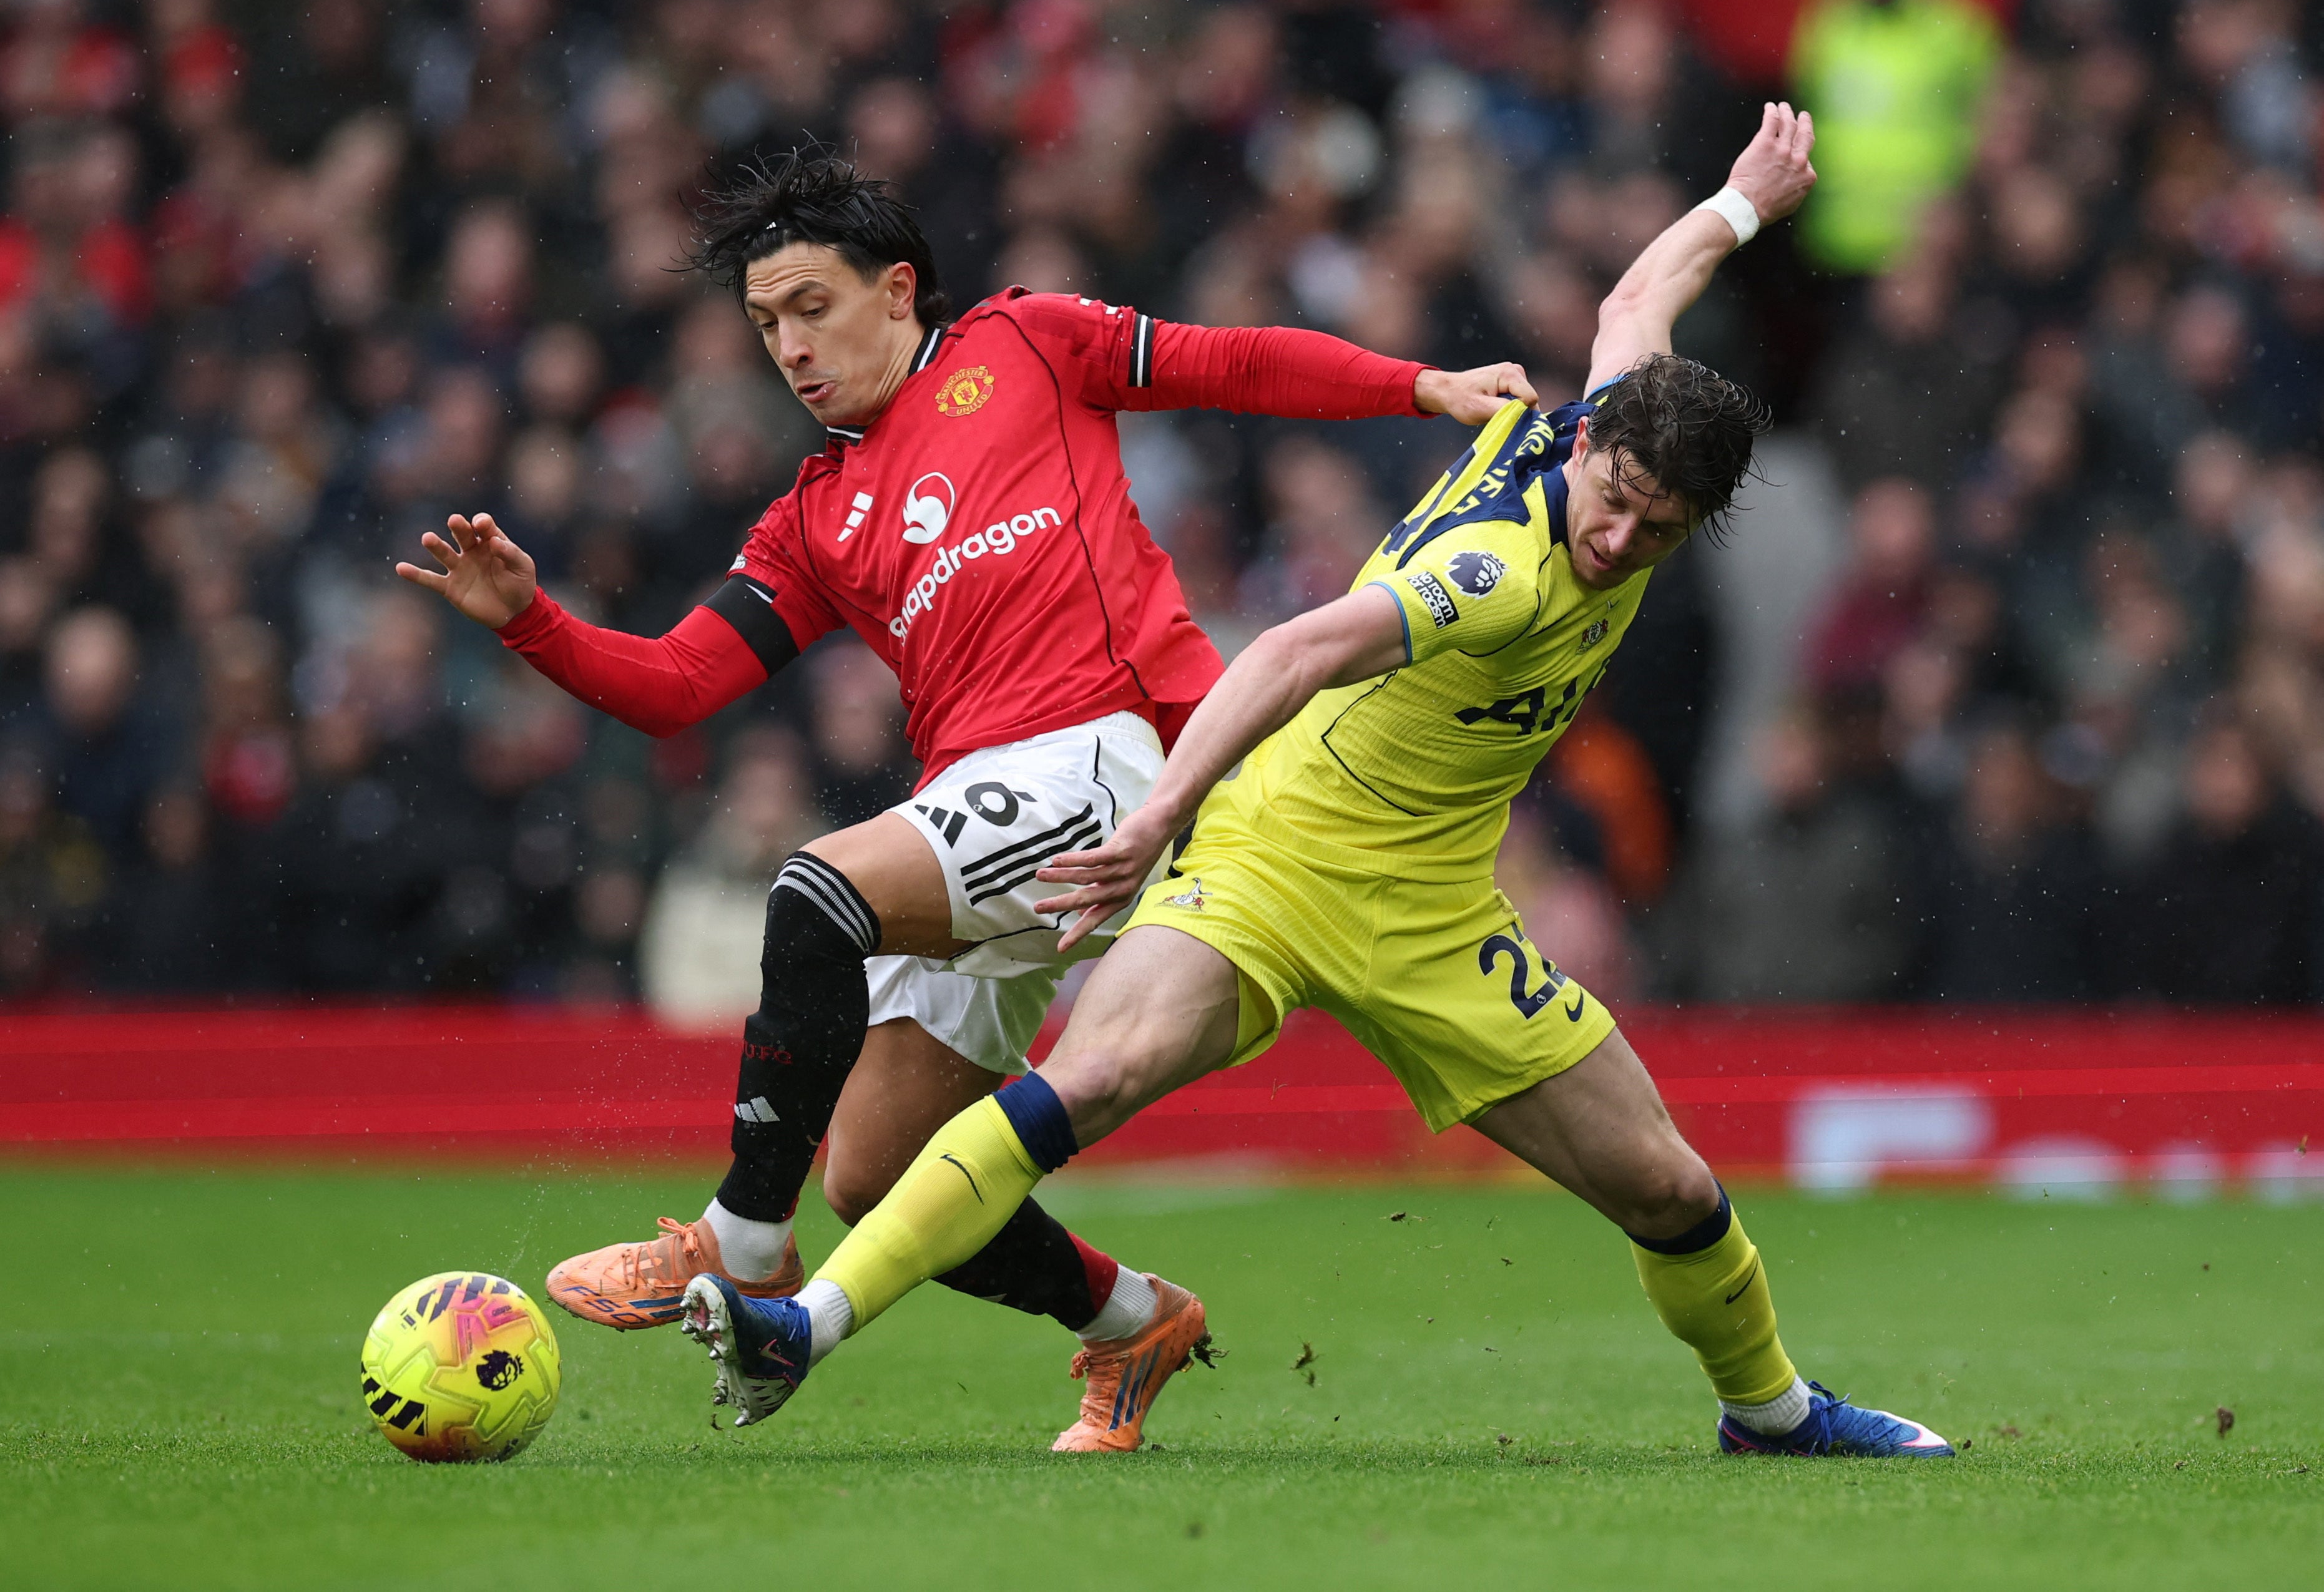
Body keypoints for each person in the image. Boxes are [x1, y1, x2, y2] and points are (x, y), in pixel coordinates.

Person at [682, 105, 1954, 1460]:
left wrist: (1744, 200)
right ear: (1587, 447)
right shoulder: (1497, 575)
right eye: (1614, 499)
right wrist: (1163, 816)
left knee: (1670, 1188)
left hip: (1433, 908)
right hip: (1271, 859)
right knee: (1085, 1081)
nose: (1617, 536)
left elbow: (1641, 290)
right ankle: (803, 1325)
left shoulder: (1617, 418)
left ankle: (1770, 1412)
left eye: (1656, 530)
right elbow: (1291, 650)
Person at [395, 148, 1529, 1451]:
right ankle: (1134, 1319)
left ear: (898, 289)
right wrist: (530, 621)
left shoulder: (1027, 343)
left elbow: (1229, 362)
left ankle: (741, 1243)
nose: (790, 347)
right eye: (766, 324)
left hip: (1112, 757)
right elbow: (678, 683)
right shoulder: (814, 518)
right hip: (982, 798)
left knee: (816, 892)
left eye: (811, 307)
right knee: (879, 1175)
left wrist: (1420, 385)